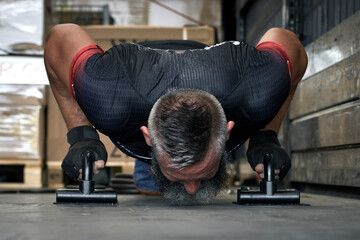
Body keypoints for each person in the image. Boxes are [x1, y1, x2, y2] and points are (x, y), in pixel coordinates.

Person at [44, 23, 307, 204]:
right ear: (147, 137)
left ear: (227, 132)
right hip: (134, 79)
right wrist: (81, 134)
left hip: (212, 67)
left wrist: (265, 134)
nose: (192, 189)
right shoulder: (107, 97)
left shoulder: (258, 90)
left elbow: (290, 44)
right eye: (178, 174)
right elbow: (59, 38)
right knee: (151, 185)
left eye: (203, 173)